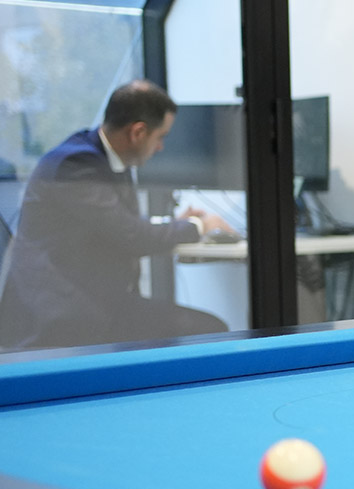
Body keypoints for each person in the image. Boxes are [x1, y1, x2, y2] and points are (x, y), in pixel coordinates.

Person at [0, 80, 235, 350]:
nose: (160, 148)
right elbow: (132, 235)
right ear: (138, 132)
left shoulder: (102, 158)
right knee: (208, 330)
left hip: (95, 300)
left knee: (205, 327)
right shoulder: (76, 166)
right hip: (60, 314)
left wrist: (177, 224)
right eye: (161, 137)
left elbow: (119, 226)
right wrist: (199, 225)